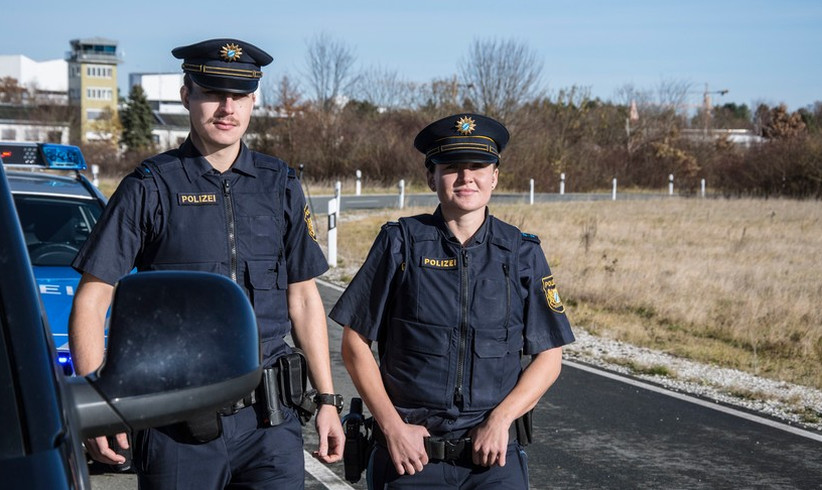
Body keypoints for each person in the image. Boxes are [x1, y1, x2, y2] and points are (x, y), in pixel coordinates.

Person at [69, 38, 344, 489]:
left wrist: (329, 400)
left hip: (270, 425)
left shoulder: (281, 186)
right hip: (176, 424)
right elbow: (93, 298)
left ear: (254, 100)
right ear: (186, 95)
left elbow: (304, 299)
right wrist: (101, 404)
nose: (226, 107)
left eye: (239, 95)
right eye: (213, 92)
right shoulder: (150, 187)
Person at [330, 113, 575, 489]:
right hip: (410, 459)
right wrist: (392, 428)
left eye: (478, 166)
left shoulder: (521, 252)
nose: (466, 178)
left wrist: (501, 420)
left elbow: (550, 355)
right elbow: (354, 344)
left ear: (494, 176)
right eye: (452, 167)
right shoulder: (400, 243)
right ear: (431, 177)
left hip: (493, 459)